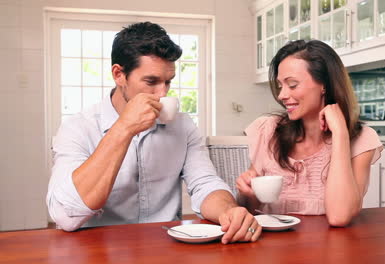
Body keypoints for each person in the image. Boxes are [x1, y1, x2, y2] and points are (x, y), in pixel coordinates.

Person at [47, 22, 261, 244]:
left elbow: (205, 184)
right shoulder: (77, 128)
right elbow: (65, 216)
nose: (162, 93)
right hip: (99, 250)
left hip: (166, 247)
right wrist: (124, 128)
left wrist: (229, 211)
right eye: (151, 81)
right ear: (119, 74)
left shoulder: (183, 126)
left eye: (168, 82)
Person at [236, 40, 383, 227]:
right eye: (281, 85)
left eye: (292, 84)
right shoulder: (269, 130)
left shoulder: (361, 140)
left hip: (329, 251)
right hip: (270, 251)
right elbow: (248, 209)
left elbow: (340, 217)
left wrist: (340, 133)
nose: (281, 95)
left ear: (324, 85)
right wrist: (247, 194)